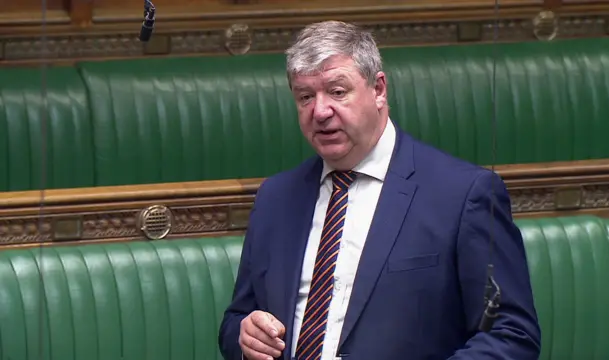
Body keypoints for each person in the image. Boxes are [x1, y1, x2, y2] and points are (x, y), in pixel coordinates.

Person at [218, 20, 541, 360]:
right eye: (305, 97)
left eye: (338, 91)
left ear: (379, 89)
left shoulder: (463, 195)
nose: (320, 111)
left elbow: (511, 335)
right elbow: (235, 323)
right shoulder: (276, 198)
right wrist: (244, 336)